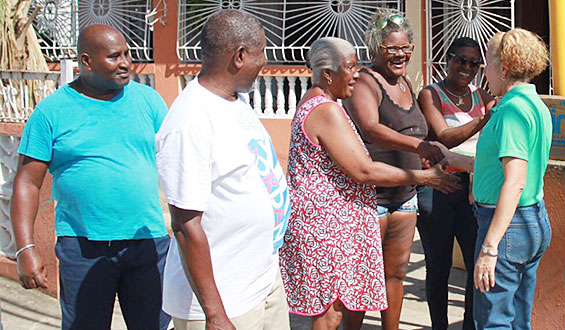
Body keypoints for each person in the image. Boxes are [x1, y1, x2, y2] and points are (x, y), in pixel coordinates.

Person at [280, 36, 461, 330]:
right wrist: (423, 177)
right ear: (328, 74)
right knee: (331, 313)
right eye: (350, 67)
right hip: (326, 228)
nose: (356, 74)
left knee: (331, 309)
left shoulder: (316, 100)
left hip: (325, 225)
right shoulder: (326, 110)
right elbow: (363, 171)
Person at [11, 25, 170, 330]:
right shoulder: (51, 112)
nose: (125, 62)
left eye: (126, 53)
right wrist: (25, 248)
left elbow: (177, 161)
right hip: (83, 247)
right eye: (114, 56)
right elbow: (27, 182)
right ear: (86, 61)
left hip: (147, 242)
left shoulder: (148, 101)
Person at [156, 10, 290, 330]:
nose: (265, 61)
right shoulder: (190, 122)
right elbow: (186, 225)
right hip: (224, 304)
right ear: (240, 56)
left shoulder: (234, 101)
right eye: (261, 52)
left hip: (260, 281)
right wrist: (215, 314)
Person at [343, 10, 450, 329]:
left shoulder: (405, 82)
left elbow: (420, 131)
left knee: (396, 275)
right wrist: (419, 147)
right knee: (363, 278)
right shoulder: (366, 80)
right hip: (371, 198)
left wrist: (433, 150)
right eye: (391, 49)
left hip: (405, 197)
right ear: (376, 49)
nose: (400, 54)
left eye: (406, 47)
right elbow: (372, 128)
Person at [472, 28, 551, 330]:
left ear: (503, 67)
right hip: (530, 220)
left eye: (487, 62)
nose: (484, 70)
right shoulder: (535, 105)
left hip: (507, 225)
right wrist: (451, 159)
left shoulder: (512, 112)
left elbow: (515, 181)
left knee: (494, 321)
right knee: (518, 318)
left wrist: (489, 248)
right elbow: (506, 165)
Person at [416, 37, 495, 330]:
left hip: (471, 190)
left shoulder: (483, 96)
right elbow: (444, 136)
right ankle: (439, 326)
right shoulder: (430, 94)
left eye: (474, 63)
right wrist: (484, 120)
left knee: (477, 263)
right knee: (439, 266)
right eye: (460, 59)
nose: (466, 67)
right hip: (436, 186)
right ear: (447, 60)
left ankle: (469, 327)